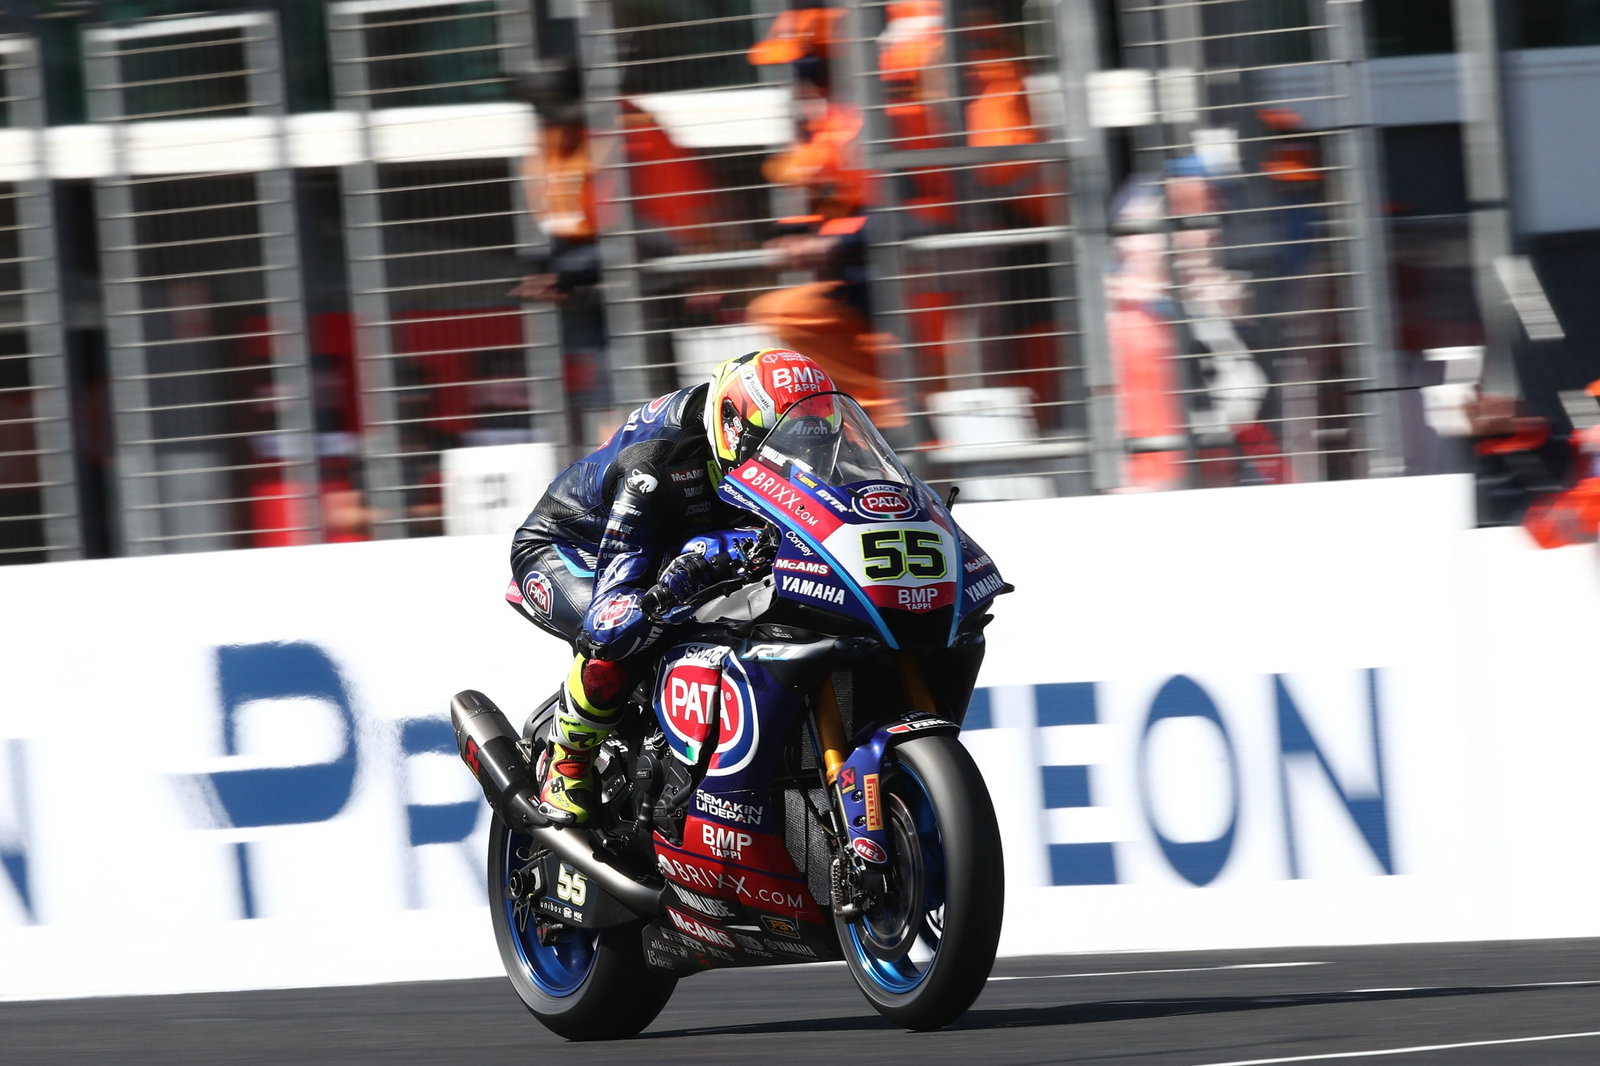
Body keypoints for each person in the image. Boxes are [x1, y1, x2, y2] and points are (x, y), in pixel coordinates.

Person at [507, 347, 841, 824]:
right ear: (733, 430)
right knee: (629, 633)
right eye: (776, 449)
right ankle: (566, 760)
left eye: (807, 448)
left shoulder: (787, 436)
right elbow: (611, 614)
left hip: (683, 539)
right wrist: (695, 565)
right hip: (573, 545)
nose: (792, 460)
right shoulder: (656, 462)